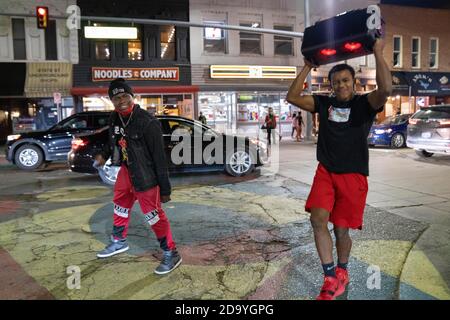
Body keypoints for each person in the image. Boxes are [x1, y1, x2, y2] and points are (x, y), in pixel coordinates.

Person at [286, 39, 392, 300]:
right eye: (337, 82)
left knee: (341, 230)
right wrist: (307, 67)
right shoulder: (324, 104)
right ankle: (330, 276)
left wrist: (377, 52)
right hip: (326, 171)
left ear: (353, 83)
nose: (342, 85)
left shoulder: (364, 105)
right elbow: (292, 96)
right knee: (317, 220)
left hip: (353, 175)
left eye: (346, 80)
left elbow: (386, 88)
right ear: (331, 86)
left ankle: (342, 270)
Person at [95, 78, 182, 275]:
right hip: (126, 171)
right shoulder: (114, 118)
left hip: (146, 175)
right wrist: (104, 155)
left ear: (132, 97)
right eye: (116, 97)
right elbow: (113, 143)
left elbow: (160, 158)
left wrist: (165, 189)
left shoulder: (147, 122)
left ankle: (171, 252)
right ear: (112, 100)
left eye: (125, 95)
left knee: (153, 216)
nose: (121, 100)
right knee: (120, 206)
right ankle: (119, 241)